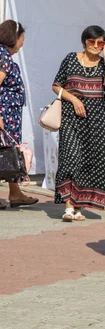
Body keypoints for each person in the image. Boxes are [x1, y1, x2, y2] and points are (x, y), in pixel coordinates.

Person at [52, 25, 105, 220]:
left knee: (89, 161)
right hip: (71, 117)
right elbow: (56, 85)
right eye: (92, 42)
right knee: (70, 158)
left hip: (94, 120)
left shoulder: (104, 64)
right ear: (84, 42)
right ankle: (68, 207)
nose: (96, 46)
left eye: (100, 42)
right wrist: (74, 99)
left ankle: (78, 207)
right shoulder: (71, 58)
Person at [0, 20, 38, 209]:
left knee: (10, 154)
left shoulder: (4, 55)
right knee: (4, 153)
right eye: (22, 38)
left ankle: (15, 193)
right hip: (4, 115)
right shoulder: (3, 57)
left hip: (10, 115)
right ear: (14, 37)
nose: (23, 42)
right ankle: (14, 193)